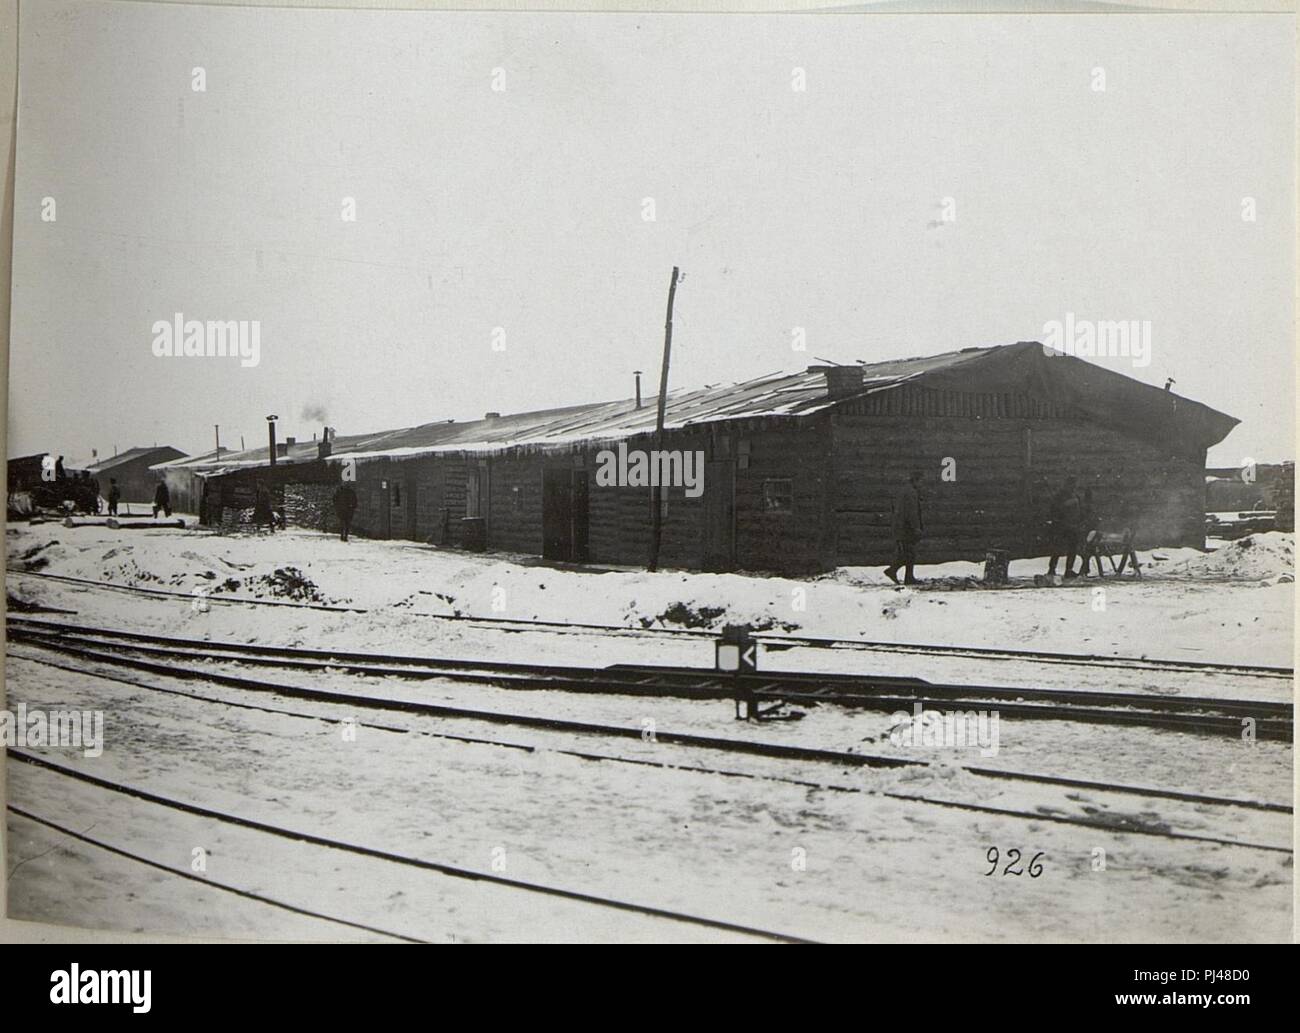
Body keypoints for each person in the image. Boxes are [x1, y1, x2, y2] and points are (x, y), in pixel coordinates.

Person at [884, 469, 924, 585]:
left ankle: (906, 576)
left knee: (908, 553)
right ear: (916, 480)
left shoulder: (905, 490)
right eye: (921, 481)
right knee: (909, 553)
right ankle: (894, 571)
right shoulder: (911, 492)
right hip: (907, 529)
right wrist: (916, 528)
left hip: (902, 527)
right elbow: (911, 513)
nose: (921, 484)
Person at [1047, 477, 1082, 578]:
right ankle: (1052, 569)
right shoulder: (1059, 496)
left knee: (1073, 548)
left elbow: (1078, 511)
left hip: (1072, 526)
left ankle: (1069, 570)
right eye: (1072, 485)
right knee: (1057, 549)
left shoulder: (1075, 496)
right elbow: (1054, 510)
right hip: (1061, 526)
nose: (1073, 487)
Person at [1079, 488, 1103, 577]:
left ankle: (1084, 569)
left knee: (1086, 550)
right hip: (1091, 530)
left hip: (1089, 531)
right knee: (1087, 551)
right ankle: (1085, 569)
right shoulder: (1091, 507)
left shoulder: (1085, 507)